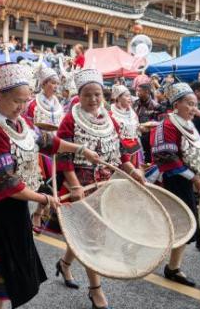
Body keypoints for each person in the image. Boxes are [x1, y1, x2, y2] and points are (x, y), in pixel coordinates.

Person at [0, 63, 99, 309]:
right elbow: (6, 183)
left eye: (26, 101)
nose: (22, 107)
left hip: (14, 209)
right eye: (17, 101)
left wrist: (81, 149)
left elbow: (47, 141)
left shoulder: (19, 123)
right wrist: (45, 200)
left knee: (8, 280)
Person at [55, 68, 145, 309]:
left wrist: (132, 170)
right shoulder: (70, 119)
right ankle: (96, 290)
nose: (93, 100)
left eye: (97, 95)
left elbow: (121, 152)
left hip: (105, 185)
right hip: (80, 185)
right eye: (88, 95)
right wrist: (75, 186)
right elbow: (63, 157)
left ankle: (64, 264)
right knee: (91, 236)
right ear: (79, 96)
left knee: (87, 234)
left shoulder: (109, 119)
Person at [151, 83, 200, 287]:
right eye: (189, 104)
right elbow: (166, 157)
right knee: (181, 222)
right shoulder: (168, 124)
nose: (193, 108)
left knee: (184, 223)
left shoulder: (188, 124)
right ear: (176, 104)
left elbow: (198, 152)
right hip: (171, 179)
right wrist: (193, 176)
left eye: (195, 104)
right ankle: (169, 266)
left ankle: (173, 267)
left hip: (187, 180)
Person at [24, 64, 64, 232]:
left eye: (56, 83)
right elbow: (27, 124)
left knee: (54, 180)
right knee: (43, 182)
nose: (55, 86)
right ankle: (37, 213)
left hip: (54, 146)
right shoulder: (33, 104)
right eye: (52, 83)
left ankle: (40, 211)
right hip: (38, 147)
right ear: (44, 84)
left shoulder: (58, 104)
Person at [111, 85, 144, 168]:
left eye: (130, 95)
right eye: (126, 96)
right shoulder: (111, 114)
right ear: (118, 98)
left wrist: (142, 128)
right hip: (120, 151)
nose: (130, 98)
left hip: (134, 148)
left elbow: (136, 128)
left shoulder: (132, 113)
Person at [134, 83, 161, 163]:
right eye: (137, 90)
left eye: (139, 91)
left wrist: (145, 126)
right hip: (136, 136)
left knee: (149, 159)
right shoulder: (134, 103)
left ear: (147, 92)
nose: (137, 92)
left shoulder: (156, 106)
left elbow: (158, 123)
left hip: (150, 138)